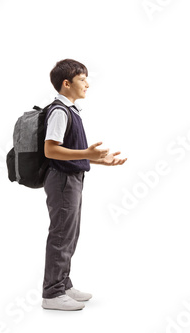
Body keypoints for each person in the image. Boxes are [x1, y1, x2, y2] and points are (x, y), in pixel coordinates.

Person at [41, 59, 127, 311]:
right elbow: (51, 150)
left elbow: (70, 152)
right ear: (66, 84)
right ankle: (52, 293)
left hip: (71, 178)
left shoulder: (71, 110)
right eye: (82, 79)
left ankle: (63, 284)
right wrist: (87, 154)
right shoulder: (59, 110)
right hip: (62, 180)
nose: (87, 84)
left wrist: (98, 160)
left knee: (69, 233)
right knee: (61, 234)